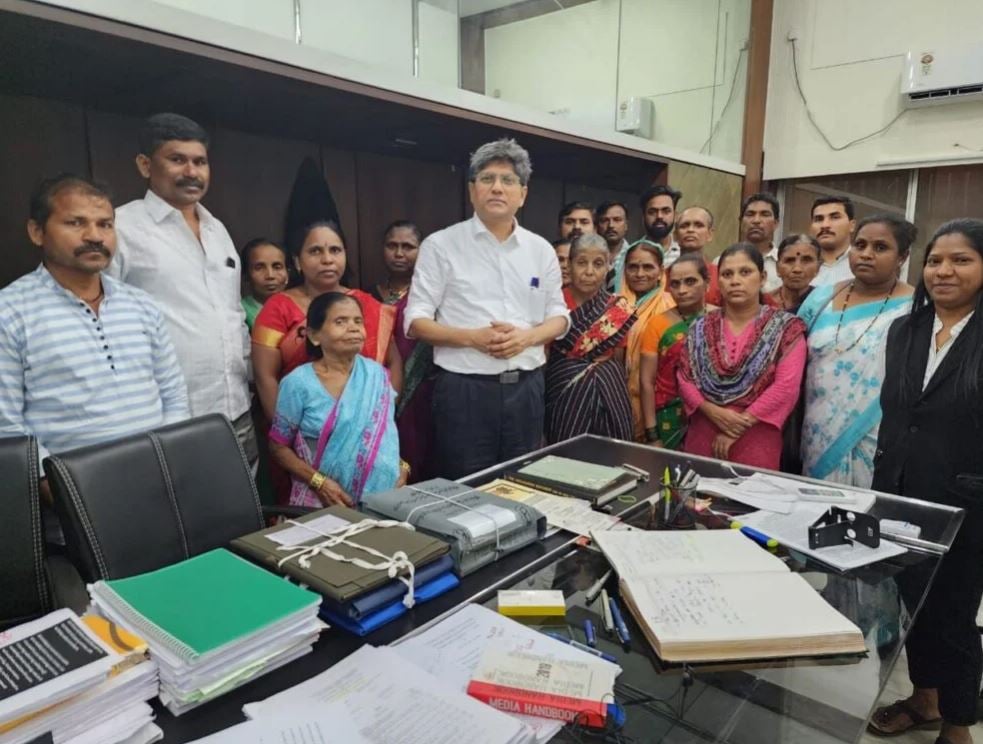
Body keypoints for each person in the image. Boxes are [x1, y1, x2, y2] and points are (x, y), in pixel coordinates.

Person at [867, 219, 983, 744]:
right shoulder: (905, 330)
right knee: (915, 603)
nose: (944, 270)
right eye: (936, 260)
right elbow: (898, 416)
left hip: (968, 505)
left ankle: (958, 725)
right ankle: (925, 699)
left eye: (961, 260)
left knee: (955, 619)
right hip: (902, 493)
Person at [0, 174, 189, 485]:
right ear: (37, 232)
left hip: (160, 484)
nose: (95, 236)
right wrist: (61, 493)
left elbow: (174, 394)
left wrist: (169, 462)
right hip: (74, 500)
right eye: (76, 223)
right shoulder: (10, 312)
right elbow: (7, 427)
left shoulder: (141, 304)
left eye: (105, 224)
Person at [404, 138, 569, 479]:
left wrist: (526, 338)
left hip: (526, 389)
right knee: (466, 487)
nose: (497, 188)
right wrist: (472, 338)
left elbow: (560, 317)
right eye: (487, 178)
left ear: (522, 194)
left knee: (524, 482)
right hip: (464, 392)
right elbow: (416, 321)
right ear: (472, 190)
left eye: (508, 181)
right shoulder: (441, 245)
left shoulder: (541, 250)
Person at [110, 113, 255, 464]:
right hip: (165, 419)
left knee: (242, 514)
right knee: (180, 515)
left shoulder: (217, 229)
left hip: (236, 409)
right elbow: (101, 322)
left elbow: (231, 313)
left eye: (200, 161)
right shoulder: (121, 227)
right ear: (145, 165)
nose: (192, 171)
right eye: (177, 160)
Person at [798, 214, 915, 487]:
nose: (866, 254)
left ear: (903, 256)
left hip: (877, 435)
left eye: (880, 248)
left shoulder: (916, 308)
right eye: (860, 245)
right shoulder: (820, 297)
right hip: (816, 430)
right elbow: (792, 359)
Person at [252, 220, 403, 423]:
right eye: (315, 251)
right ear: (297, 261)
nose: (327, 259)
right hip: (304, 426)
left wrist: (381, 416)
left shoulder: (366, 303)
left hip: (368, 424)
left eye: (335, 250)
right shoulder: (279, 307)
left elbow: (393, 362)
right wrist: (288, 432)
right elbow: (265, 377)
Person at [269, 292, 405, 507]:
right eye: (340, 321)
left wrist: (402, 467)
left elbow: (384, 437)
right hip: (324, 503)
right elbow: (278, 447)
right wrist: (320, 483)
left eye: (358, 321)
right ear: (314, 335)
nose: (353, 328)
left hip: (384, 502)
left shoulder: (376, 375)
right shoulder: (298, 383)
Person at [678, 243, 806, 469]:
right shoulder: (700, 327)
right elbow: (685, 377)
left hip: (756, 439)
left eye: (745, 272)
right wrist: (713, 412)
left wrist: (738, 426)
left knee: (750, 501)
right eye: (727, 274)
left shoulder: (786, 329)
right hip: (703, 433)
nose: (735, 280)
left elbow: (786, 387)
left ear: (763, 277)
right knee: (696, 498)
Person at [545, 234, 636, 443]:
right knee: (565, 452)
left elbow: (619, 358)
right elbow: (545, 356)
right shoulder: (553, 303)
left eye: (598, 264)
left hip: (610, 389)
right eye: (581, 263)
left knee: (612, 456)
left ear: (608, 266)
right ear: (568, 264)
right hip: (563, 390)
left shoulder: (616, 309)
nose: (589, 272)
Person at [639, 254, 712, 449]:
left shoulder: (720, 318)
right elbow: (647, 382)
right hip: (667, 417)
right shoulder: (657, 324)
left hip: (711, 416)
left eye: (690, 282)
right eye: (675, 284)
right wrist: (652, 434)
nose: (682, 290)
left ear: (707, 282)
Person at [618, 239, 675, 441]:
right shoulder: (613, 305)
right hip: (619, 399)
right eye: (633, 267)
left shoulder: (671, 306)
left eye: (647, 267)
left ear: (661, 271)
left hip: (659, 402)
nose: (640, 274)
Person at [735, 193, 782, 293]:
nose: (756, 220)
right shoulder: (722, 262)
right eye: (750, 214)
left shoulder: (785, 263)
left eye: (765, 214)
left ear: (776, 223)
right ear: (741, 221)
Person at [675, 205, 721, 303]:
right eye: (684, 225)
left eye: (698, 225)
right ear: (675, 235)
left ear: (710, 234)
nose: (690, 230)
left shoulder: (720, 275)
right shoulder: (664, 276)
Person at [240, 238, 289, 331]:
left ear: (287, 272)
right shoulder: (241, 312)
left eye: (277, 267)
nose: (270, 275)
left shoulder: (298, 306)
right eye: (259, 268)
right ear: (246, 275)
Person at [371, 220, 421, 305]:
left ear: (421, 250)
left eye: (408, 247)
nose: (399, 253)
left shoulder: (428, 296)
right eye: (391, 246)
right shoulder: (368, 296)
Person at [810, 196, 856, 287]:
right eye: (819, 219)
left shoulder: (863, 264)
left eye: (835, 217)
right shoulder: (800, 267)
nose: (825, 225)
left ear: (852, 225)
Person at [769, 233, 820, 313]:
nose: (797, 269)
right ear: (777, 268)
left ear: (818, 268)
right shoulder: (763, 303)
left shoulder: (824, 304)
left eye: (806, 260)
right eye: (789, 261)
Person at [639, 185, 682, 269]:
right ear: (643, 217)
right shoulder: (631, 254)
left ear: (675, 216)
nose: (659, 216)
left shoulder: (683, 254)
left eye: (666, 211)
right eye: (652, 212)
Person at [596, 200, 630, 291]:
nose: (611, 225)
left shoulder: (634, 255)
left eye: (617, 220)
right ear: (597, 226)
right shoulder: (590, 255)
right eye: (605, 220)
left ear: (626, 225)